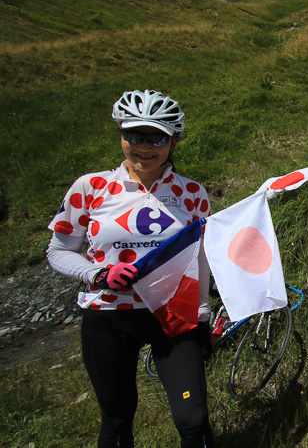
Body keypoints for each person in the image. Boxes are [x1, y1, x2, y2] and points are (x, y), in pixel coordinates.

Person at [46, 90, 215, 448]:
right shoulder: (90, 187)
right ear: (121, 135)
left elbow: (199, 256)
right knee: (117, 418)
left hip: (172, 314)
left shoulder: (193, 194)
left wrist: (202, 313)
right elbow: (59, 250)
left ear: (174, 141)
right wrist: (97, 275)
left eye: (156, 137)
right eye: (133, 135)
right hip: (109, 314)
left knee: (192, 419)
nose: (144, 146)